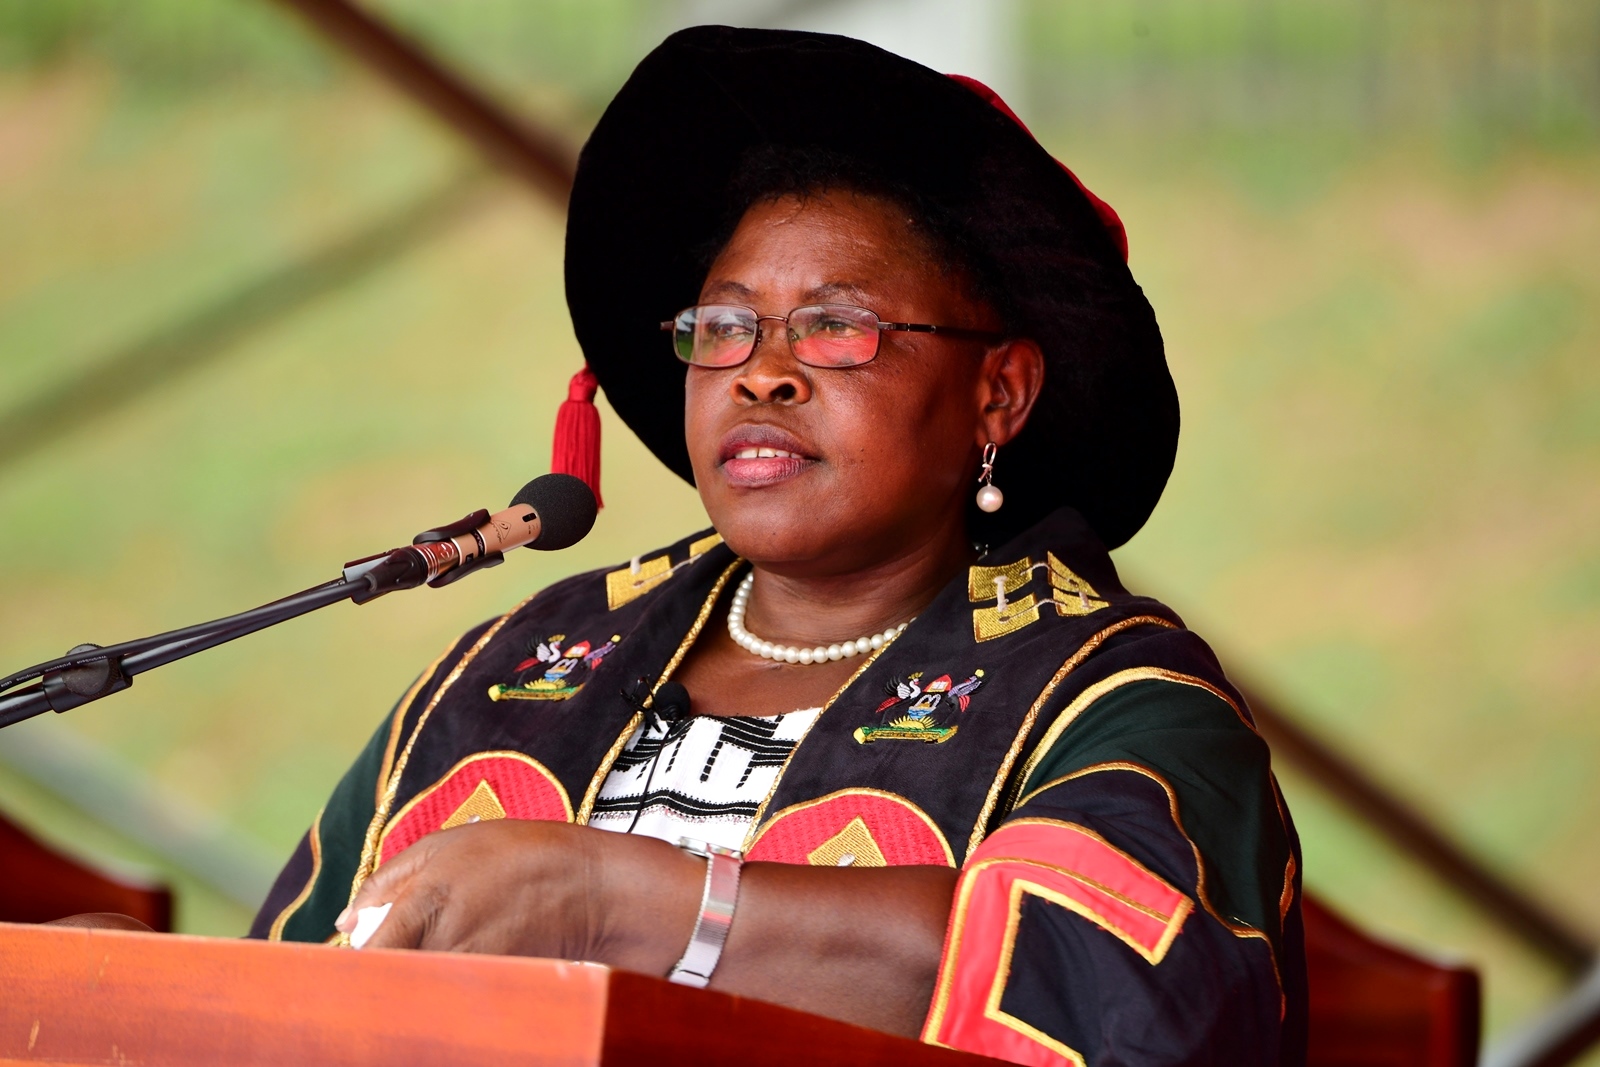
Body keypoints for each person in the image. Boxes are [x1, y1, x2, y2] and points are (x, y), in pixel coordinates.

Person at [250, 27, 1306, 1066]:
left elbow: (1107, 990)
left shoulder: (1117, 700)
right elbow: (276, 999)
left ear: (997, 392)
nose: (761, 371)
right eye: (722, 326)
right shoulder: (513, 667)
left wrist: (612, 899)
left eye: (836, 326)